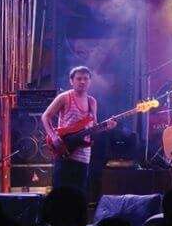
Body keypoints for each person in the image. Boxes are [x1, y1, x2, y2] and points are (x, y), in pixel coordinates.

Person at [42, 66, 116, 194]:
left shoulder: (92, 102)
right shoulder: (64, 97)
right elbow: (45, 117)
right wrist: (53, 137)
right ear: (71, 81)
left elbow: (93, 128)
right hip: (65, 153)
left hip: (83, 157)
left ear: (90, 81)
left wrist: (106, 127)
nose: (82, 81)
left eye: (86, 79)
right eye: (79, 78)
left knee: (79, 196)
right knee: (61, 195)